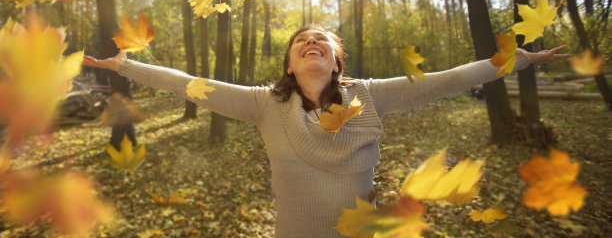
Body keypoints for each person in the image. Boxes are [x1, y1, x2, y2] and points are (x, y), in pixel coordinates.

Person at [83, 23, 570, 238]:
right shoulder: (263, 104)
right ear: (291, 66)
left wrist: (517, 60)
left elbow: (451, 79)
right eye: (301, 41)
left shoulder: (372, 95)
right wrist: (129, 68)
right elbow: (194, 86)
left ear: (336, 61)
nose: (311, 42)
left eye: (321, 41)